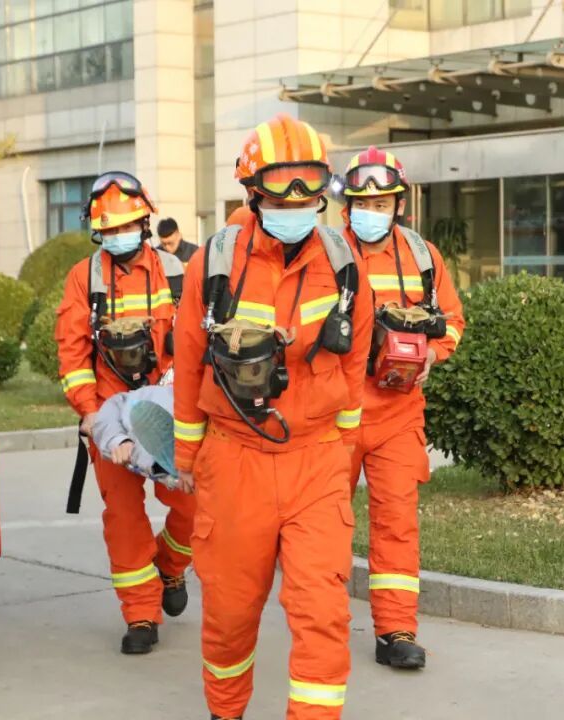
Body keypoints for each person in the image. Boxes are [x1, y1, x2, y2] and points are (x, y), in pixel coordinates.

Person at [173, 113, 373, 720]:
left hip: (316, 462)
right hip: (234, 460)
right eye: (282, 192)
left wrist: (341, 450)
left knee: (323, 613)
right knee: (230, 614)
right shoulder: (214, 264)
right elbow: (188, 362)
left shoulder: (343, 263)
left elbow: (356, 359)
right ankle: (225, 710)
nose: (295, 204)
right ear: (253, 192)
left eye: (307, 192)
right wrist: (188, 457)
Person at [55, 172, 195, 655]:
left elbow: (196, 341)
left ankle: (170, 565)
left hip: (168, 408)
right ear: (98, 232)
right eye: (111, 229)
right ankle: (140, 615)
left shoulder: (176, 272)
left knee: (193, 503)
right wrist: (90, 413)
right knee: (124, 517)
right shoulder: (84, 278)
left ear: (145, 223)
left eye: (128, 225)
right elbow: (73, 353)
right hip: (110, 414)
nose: (120, 235)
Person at [338, 146, 465, 670]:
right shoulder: (324, 253)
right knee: (327, 525)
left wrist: (432, 352)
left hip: (398, 412)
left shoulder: (422, 256)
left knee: (396, 523)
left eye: (382, 203)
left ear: (399, 204)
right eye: (362, 203)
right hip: (335, 413)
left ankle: (396, 631)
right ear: (346, 205)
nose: (371, 212)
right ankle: (324, 622)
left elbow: (452, 320)